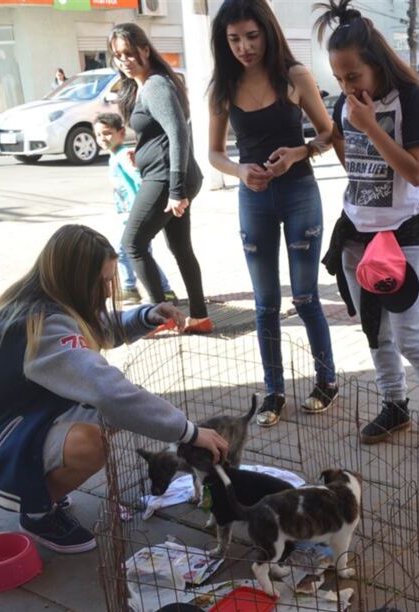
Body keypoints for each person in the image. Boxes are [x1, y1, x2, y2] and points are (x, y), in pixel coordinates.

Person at [0, 225, 229, 554]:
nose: (108, 291)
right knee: (92, 441)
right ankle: (37, 513)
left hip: (17, 424)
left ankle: (43, 483)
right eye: (103, 282)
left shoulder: (46, 303)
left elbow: (94, 329)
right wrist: (190, 432)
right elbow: (108, 391)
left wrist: (146, 316)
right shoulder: (40, 324)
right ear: (76, 281)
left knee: (115, 414)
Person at [316, 0, 419, 459]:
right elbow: (351, 157)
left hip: (402, 234)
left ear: (376, 64)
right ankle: (394, 404)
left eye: (353, 76)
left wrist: (369, 127)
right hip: (355, 233)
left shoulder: (411, 99)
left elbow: (415, 173)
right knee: (374, 331)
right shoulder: (346, 104)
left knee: (409, 336)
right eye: (339, 79)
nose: (347, 87)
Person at [207, 0, 338, 427]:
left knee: (305, 297)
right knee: (265, 304)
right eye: (234, 39)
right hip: (254, 200)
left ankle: (326, 381)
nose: (244, 47)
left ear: (267, 32)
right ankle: (273, 392)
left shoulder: (295, 76)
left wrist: (300, 152)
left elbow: (328, 133)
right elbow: (213, 153)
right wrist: (240, 171)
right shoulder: (222, 88)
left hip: (300, 193)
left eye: (251, 36)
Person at [109, 23, 213, 335]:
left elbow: (178, 133)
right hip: (166, 175)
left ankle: (160, 317)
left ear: (145, 50)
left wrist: (176, 190)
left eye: (129, 53)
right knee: (180, 247)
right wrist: (141, 152)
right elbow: (160, 134)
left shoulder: (155, 85)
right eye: (117, 55)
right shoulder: (145, 85)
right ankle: (199, 317)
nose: (124, 60)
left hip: (166, 180)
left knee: (133, 244)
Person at [93, 112, 177, 305]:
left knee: (126, 251)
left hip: (136, 214)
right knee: (135, 253)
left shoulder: (124, 156)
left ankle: (143, 289)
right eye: (98, 135)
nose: (102, 138)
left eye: (107, 133)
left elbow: (140, 181)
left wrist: (144, 207)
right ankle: (148, 289)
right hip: (127, 215)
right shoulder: (114, 157)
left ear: (121, 133)